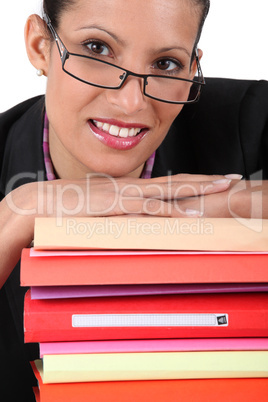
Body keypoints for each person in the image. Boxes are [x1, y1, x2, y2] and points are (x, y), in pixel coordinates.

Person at [0, 0, 268, 400]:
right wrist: (12, 218)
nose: (131, 103)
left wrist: (240, 205)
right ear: (41, 46)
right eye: (97, 48)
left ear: (192, 71)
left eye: (165, 65)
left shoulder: (252, 119)